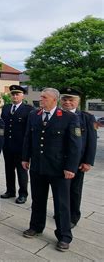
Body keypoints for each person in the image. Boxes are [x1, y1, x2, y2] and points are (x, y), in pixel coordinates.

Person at [22, 88, 81, 252]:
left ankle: (64, 236)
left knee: (61, 204)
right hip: (38, 167)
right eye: (41, 96)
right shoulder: (34, 115)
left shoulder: (69, 117)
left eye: (44, 97)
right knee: (38, 199)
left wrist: (70, 167)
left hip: (59, 169)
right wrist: (25, 158)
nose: (41, 99)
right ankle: (35, 227)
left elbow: (75, 146)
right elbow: (28, 137)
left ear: (55, 99)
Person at [60, 87, 97, 228]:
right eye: (65, 99)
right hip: (58, 161)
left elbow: (91, 141)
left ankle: (73, 216)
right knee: (61, 190)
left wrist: (88, 161)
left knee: (74, 190)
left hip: (77, 162)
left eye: (71, 100)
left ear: (78, 101)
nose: (67, 102)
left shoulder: (87, 118)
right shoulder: (56, 115)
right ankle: (62, 212)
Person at [0, 85, 33, 204]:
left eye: (17, 94)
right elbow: (2, 126)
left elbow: (29, 130)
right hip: (7, 145)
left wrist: (28, 148)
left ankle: (23, 193)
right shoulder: (6, 108)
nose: (15, 96)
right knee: (9, 169)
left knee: (21, 171)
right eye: (13, 94)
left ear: (22, 95)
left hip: (21, 147)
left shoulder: (28, 109)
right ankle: (10, 190)